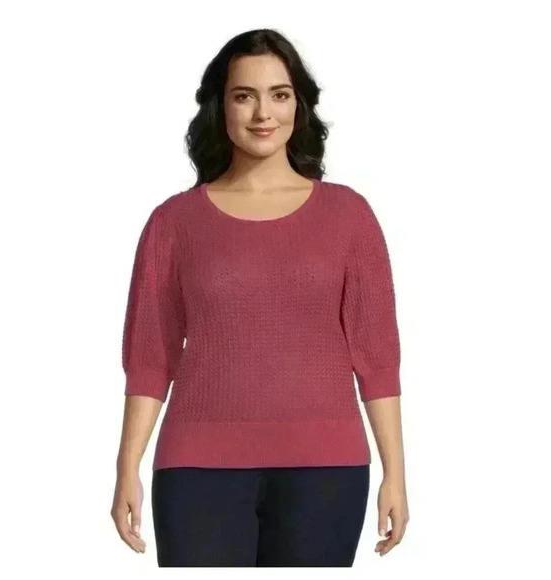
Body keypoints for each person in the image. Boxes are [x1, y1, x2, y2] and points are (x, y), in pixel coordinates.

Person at [111, 28, 409, 567]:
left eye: (280, 94)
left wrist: (397, 474)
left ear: (299, 104)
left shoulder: (349, 216)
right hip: (195, 470)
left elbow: (377, 356)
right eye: (244, 96)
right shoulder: (173, 222)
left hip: (327, 471)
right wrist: (125, 467)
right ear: (220, 107)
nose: (262, 113)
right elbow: (150, 356)